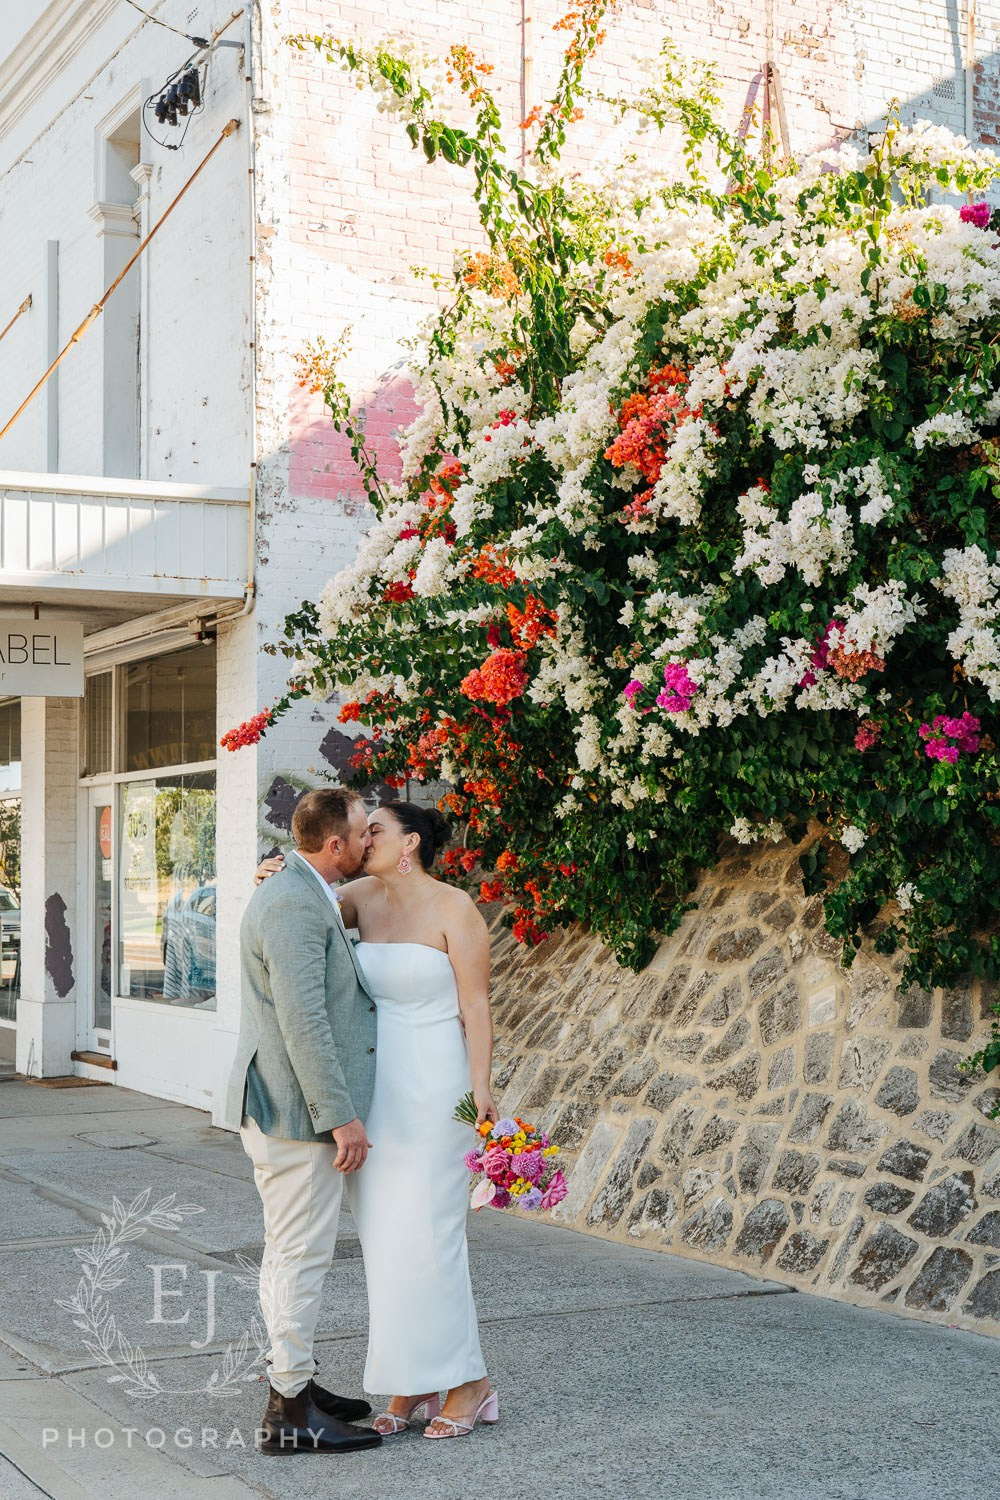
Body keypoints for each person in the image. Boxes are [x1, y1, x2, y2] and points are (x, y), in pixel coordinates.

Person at [255, 798, 500, 1440]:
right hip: (372, 1088)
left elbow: (475, 1007)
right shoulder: (359, 895)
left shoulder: (455, 908)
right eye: (361, 832)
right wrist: (267, 873)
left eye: (376, 830)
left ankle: (469, 1380)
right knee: (386, 1241)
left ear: (410, 840)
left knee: (433, 1235)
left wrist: (482, 1089)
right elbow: (298, 905)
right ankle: (411, 1379)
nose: (364, 839)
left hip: (436, 1085)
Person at [222, 787, 382, 1457]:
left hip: (290, 1108)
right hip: (294, 1114)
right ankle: (288, 1409)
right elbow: (303, 1021)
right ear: (336, 844)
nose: (371, 839)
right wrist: (338, 1117)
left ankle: (298, 1384)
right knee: (299, 1258)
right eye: (361, 831)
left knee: (292, 1254)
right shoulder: (291, 901)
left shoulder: (298, 885)